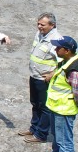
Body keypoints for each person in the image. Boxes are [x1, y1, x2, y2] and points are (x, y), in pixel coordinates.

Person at [38, 36, 78, 152]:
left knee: (65, 141)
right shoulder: (66, 61)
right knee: (57, 136)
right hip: (57, 107)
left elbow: (77, 92)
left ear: (67, 50)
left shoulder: (74, 69)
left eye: (58, 48)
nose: (55, 50)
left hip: (65, 110)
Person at [19, 13, 60, 143]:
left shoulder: (56, 40)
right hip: (34, 76)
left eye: (42, 24)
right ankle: (34, 128)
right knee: (35, 103)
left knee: (44, 107)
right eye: (38, 23)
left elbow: (63, 63)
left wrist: (51, 75)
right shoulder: (40, 34)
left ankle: (41, 134)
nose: (39, 26)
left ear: (52, 25)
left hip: (44, 80)